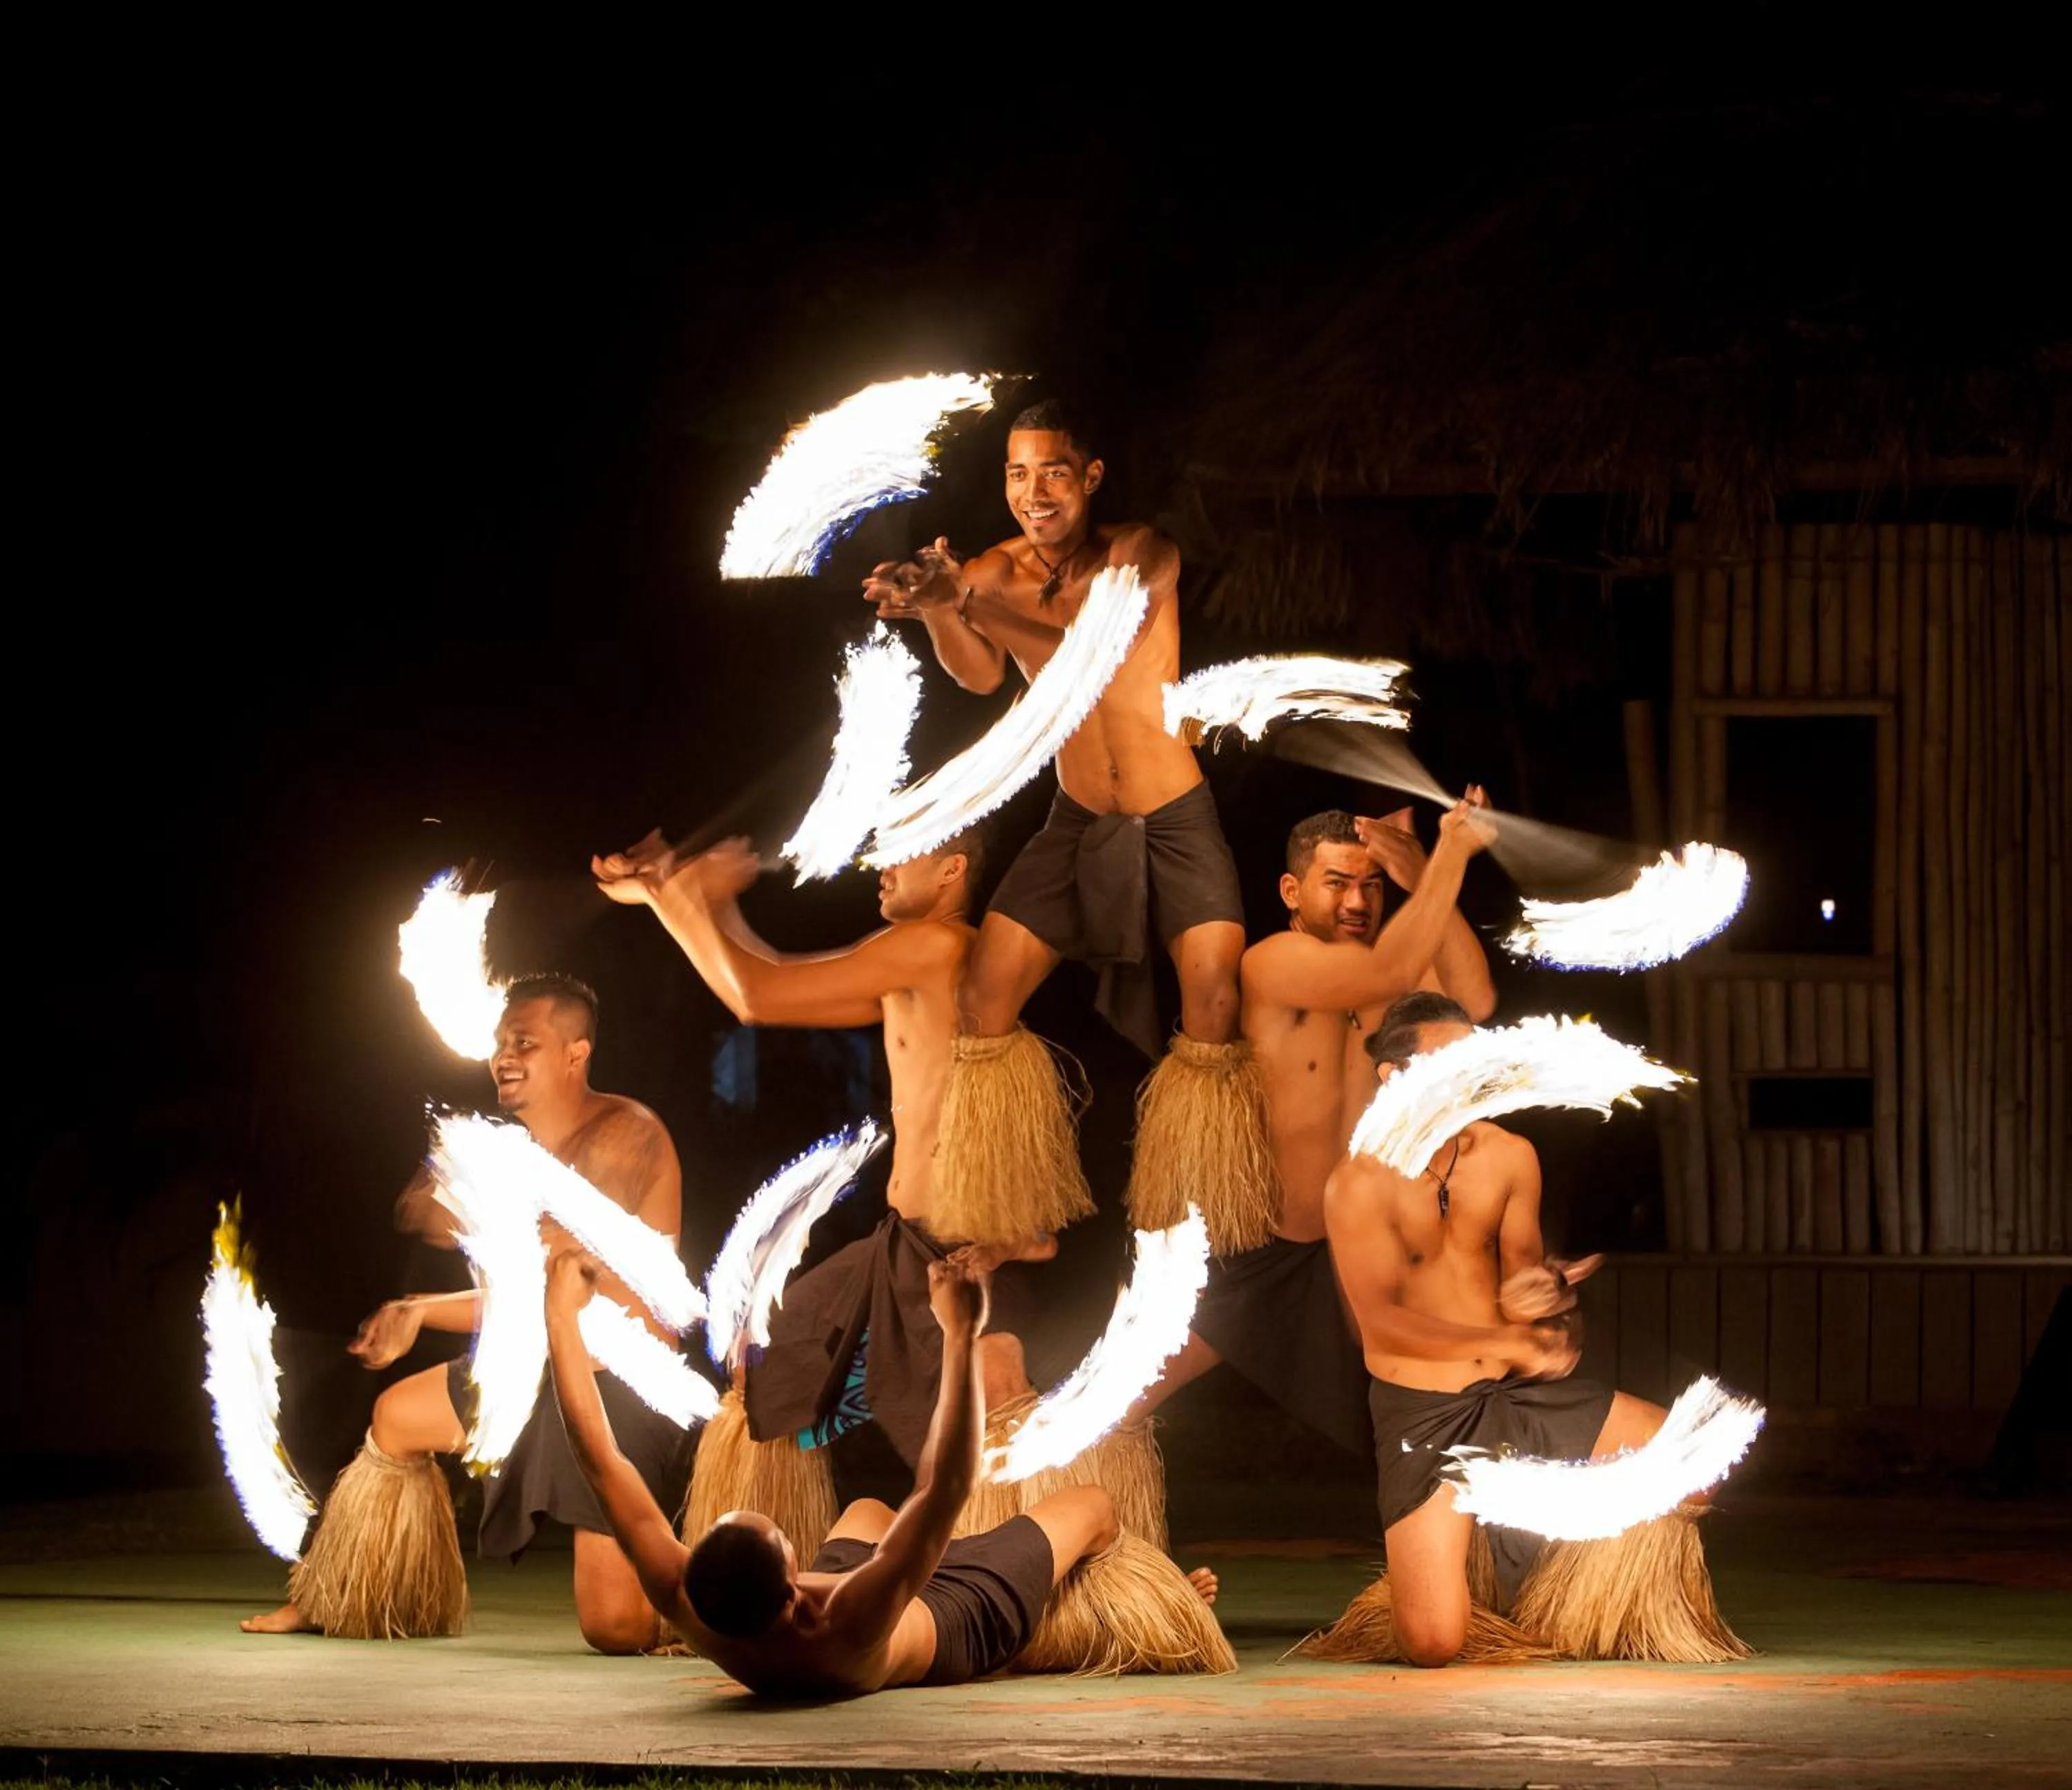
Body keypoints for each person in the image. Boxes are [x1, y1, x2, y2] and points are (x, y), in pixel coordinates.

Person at [862, 399, 1266, 1257]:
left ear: (1091, 476)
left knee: (1215, 1004)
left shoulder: (1144, 554)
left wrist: (968, 601)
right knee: (983, 999)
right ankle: (1009, 1220)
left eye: (1053, 472)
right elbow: (979, 679)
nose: (1033, 492)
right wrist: (940, 610)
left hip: (1175, 816)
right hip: (1076, 818)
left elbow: (1092, 656)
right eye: (1017, 474)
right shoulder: (992, 571)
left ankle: (1200, 1220)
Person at [592, 828, 1072, 1548]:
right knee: (768, 1370)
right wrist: (679, 898)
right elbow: (764, 985)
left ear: (952, 869)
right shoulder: (925, 961)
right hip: (903, 1245)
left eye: (906, 850)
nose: (881, 863)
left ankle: (1043, 1569)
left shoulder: (932, 946)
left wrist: (684, 895)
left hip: (958, 1249)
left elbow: (757, 995)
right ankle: (763, 1562)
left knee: (994, 1413)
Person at [242, 974, 691, 1652]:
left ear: (576, 1053)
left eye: (525, 1043)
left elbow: (559, 1273)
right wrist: (421, 1309)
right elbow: (525, 1294)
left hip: (616, 1388)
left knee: (616, 1628)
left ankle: (724, 1597)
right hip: (534, 1372)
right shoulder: (518, 1155)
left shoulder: (626, 1135)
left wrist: (472, 1208)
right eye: (499, 1043)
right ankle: (339, 1594)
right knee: (397, 1418)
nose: (504, 1056)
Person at [546, 1243, 1211, 1695]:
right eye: (789, 1553)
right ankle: (1146, 1602)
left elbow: (600, 1460)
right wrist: (959, 1334)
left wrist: (561, 1317)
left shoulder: (689, 1601)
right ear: (792, 1595)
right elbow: (944, 1489)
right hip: (958, 1612)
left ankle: (1040, 1565)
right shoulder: (846, 1625)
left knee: (866, 1511)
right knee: (1093, 1507)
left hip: (887, 1576)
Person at [1315, 991, 1744, 1666]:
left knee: (1694, 1465)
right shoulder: (1356, 1184)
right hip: (1426, 1415)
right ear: (1394, 1077)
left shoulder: (1510, 1157)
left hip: (1516, 1396)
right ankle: (1425, 1589)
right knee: (1432, 1643)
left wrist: (1547, 1296)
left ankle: (1564, 1607)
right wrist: (1504, 1340)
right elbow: (1383, 1327)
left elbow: (1521, 1290)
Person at [1125, 798, 1496, 1463]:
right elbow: (1385, 971)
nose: (1358, 901)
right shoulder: (1275, 962)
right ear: (1292, 891)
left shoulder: (1392, 976)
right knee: (1126, 1391)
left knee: (1428, 1393)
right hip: (1262, 1242)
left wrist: (1422, 874)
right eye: (1338, 883)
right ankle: (1038, 1503)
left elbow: (1474, 1000)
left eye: (1372, 885)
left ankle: (1444, 1518)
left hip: (1353, 1241)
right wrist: (1451, 856)